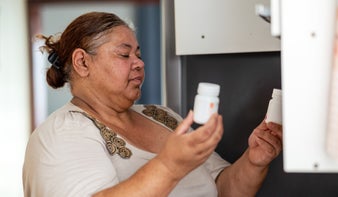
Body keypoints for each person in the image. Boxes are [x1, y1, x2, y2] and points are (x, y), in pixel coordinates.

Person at [22, 11, 282, 197]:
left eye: (139, 54)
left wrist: (254, 160)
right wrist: (169, 166)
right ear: (82, 63)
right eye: (124, 54)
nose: (139, 63)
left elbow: (223, 189)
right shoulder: (60, 135)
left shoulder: (161, 115)